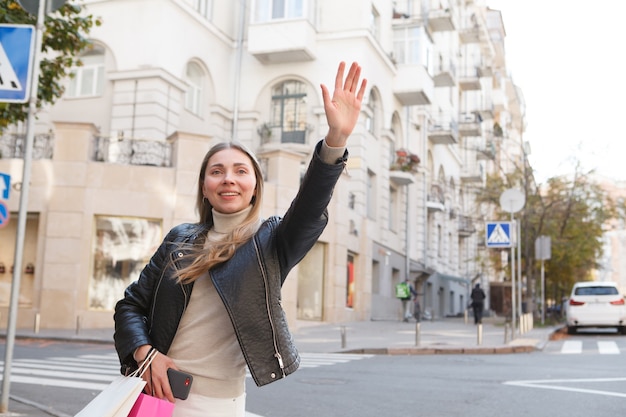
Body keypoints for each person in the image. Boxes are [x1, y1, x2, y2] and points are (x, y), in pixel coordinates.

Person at [113, 61, 367, 417]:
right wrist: (144, 352)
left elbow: (310, 207)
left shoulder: (272, 241)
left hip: (221, 406)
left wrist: (336, 140)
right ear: (205, 187)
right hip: (157, 398)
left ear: (254, 187)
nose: (228, 179)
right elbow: (130, 306)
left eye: (240, 171)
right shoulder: (179, 239)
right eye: (216, 172)